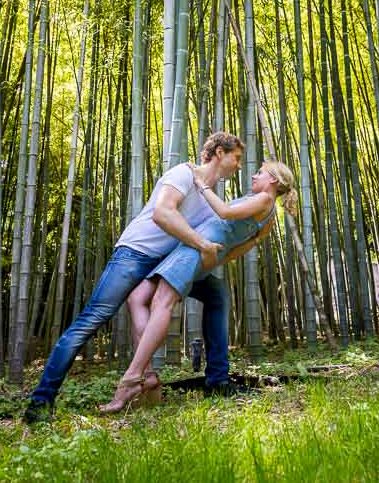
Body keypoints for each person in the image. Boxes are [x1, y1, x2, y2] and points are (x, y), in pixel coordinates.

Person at [23, 132, 246, 423]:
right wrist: (201, 244)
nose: (239, 165)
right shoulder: (182, 173)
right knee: (92, 319)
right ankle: (40, 403)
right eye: (237, 158)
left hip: (164, 262)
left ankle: (216, 380)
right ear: (219, 152)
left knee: (216, 294)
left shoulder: (210, 196)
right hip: (135, 253)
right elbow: (162, 214)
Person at [100, 161, 298, 413]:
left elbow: (225, 213)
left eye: (260, 172)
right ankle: (148, 375)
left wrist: (201, 183)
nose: (253, 174)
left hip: (195, 250)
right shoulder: (264, 209)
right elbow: (246, 244)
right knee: (138, 296)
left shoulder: (264, 201)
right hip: (195, 247)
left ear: (273, 180)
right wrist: (216, 259)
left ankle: (132, 378)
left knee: (161, 301)